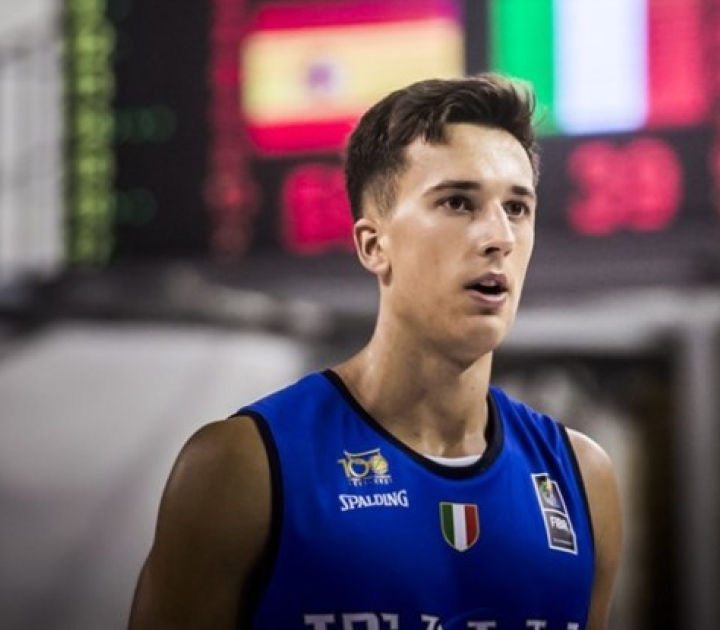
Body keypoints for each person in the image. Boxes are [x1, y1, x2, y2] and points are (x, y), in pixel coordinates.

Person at [128, 74, 624, 630]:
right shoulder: (242, 466)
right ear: (373, 244)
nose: (499, 237)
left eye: (516, 208)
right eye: (458, 202)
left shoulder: (583, 479)